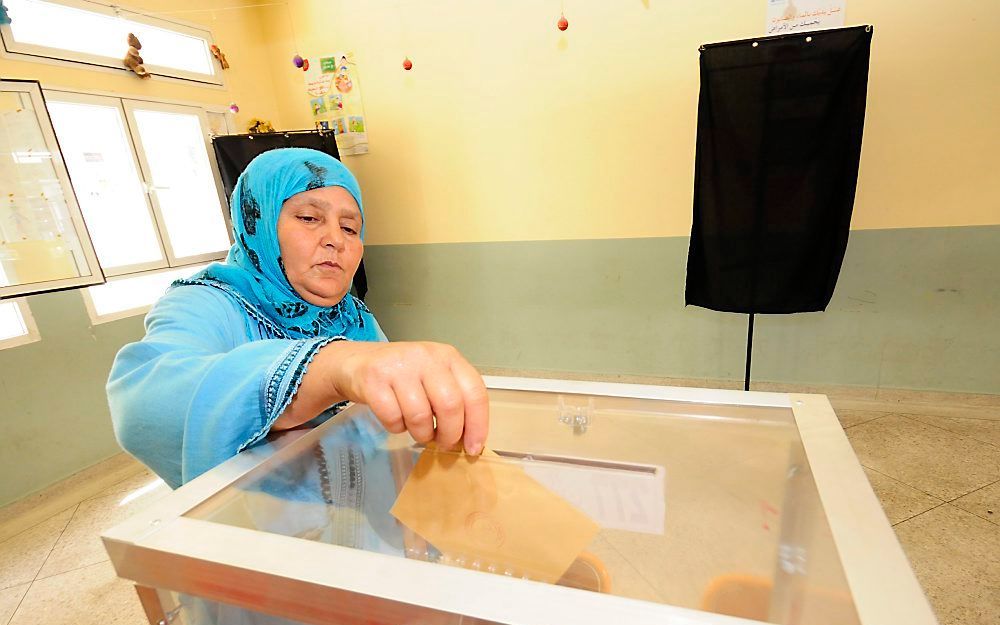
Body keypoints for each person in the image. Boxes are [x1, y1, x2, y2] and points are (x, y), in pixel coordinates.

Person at [107, 148, 489, 489]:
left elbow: (383, 428)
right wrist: (329, 366)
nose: (335, 240)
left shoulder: (350, 315)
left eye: (349, 228)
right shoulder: (206, 302)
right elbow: (143, 405)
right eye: (309, 217)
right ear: (257, 222)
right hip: (260, 534)